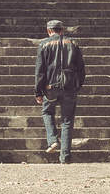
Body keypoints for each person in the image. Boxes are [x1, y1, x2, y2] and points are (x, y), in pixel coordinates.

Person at [34, 19, 85, 163]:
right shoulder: (73, 44)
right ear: (62, 30)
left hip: (50, 87)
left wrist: (38, 92)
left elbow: (40, 71)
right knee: (67, 121)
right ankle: (65, 157)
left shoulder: (44, 44)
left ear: (49, 31)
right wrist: (78, 86)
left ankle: (52, 140)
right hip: (69, 87)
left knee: (47, 112)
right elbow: (81, 69)